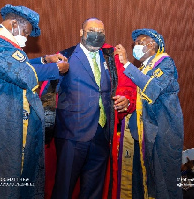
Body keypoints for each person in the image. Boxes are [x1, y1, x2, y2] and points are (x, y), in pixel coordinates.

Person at [0, 4, 68, 199]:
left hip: (1, 122)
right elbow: (24, 74)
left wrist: (45, 60)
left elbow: (19, 64)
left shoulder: (1, 44)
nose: (26, 38)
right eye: (25, 32)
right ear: (14, 24)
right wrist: (57, 70)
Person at [51, 18, 129, 199]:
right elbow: (50, 93)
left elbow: (121, 86)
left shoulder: (110, 58)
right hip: (72, 136)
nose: (97, 35)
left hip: (102, 135)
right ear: (81, 32)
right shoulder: (66, 56)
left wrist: (125, 98)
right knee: (63, 189)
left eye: (101, 32)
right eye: (92, 30)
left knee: (93, 191)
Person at [115, 28, 184, 199]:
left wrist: (126, 64)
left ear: (152, 43)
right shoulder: (144, 68)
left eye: (139, 42)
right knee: (144, 184)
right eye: (135, 44)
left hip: (161, 135)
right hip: (143, 134)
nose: (135, 47)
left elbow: (152, 90)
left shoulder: (165, 63)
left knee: (163, 184)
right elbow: (140, 100)